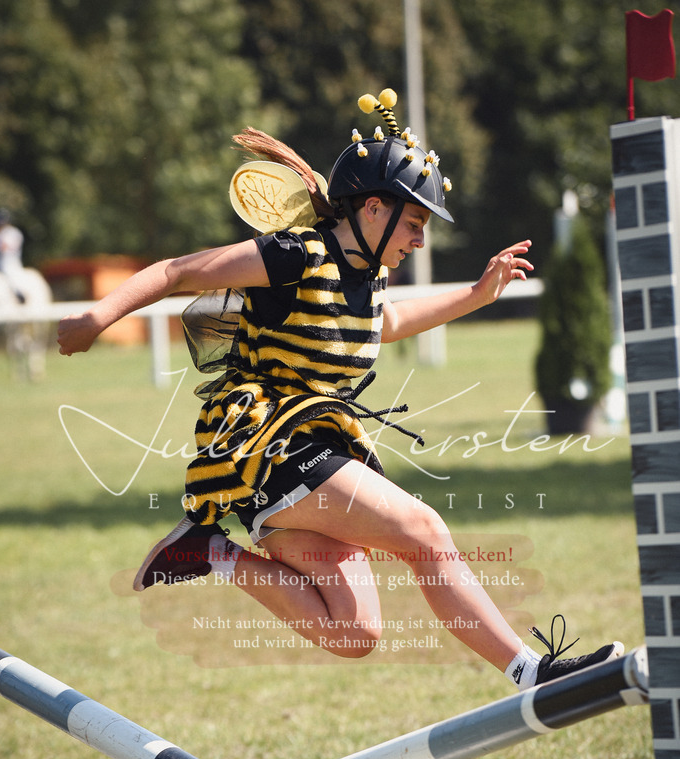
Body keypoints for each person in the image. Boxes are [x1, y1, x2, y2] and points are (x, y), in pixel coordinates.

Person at [57, 90, 622, 687]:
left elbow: (389, 324)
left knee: (356, 635)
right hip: (265, 446)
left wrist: (478, 297)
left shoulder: (369, 280)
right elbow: (180, 271)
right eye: (414, 223)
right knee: (425, 531)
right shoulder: (294, 255)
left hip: (300, 454)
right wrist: (98, 318)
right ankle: (532, 672)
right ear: (373, 209)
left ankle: (212, 553)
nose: (420, 241)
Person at [0, 208, 26, 301]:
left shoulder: (13, 233)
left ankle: (19, 295)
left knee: (10, 276)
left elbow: (7, 248)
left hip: (9, 262)